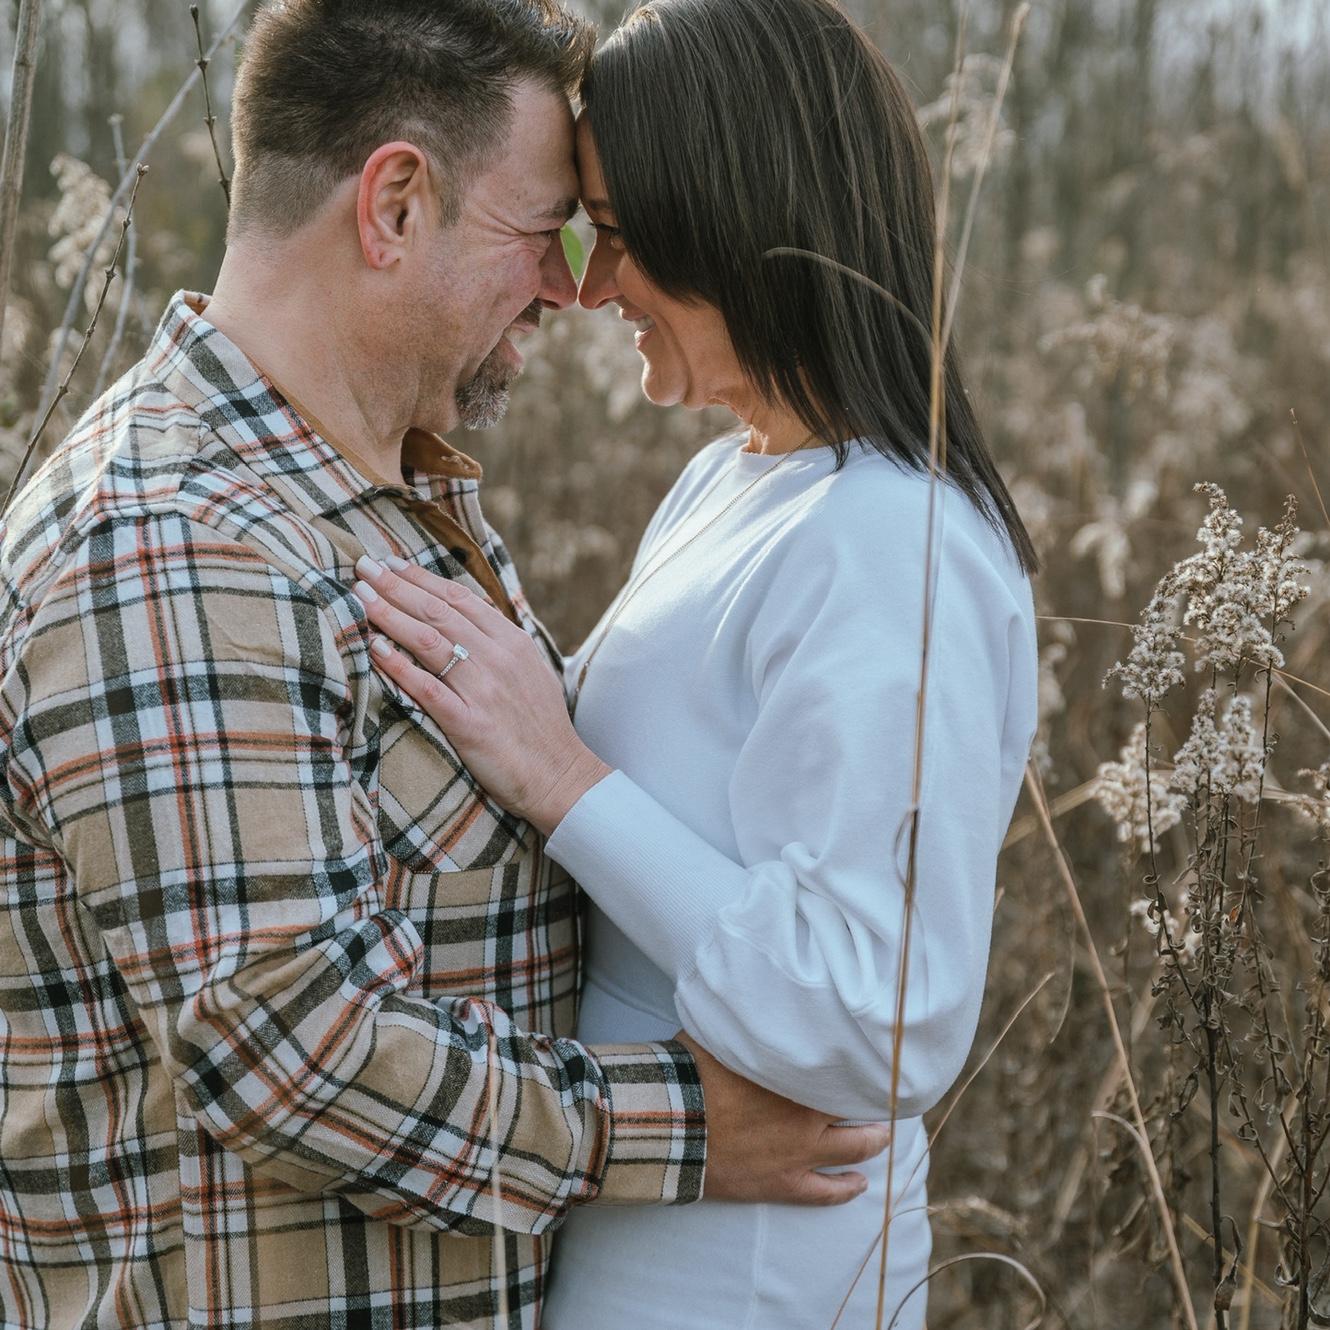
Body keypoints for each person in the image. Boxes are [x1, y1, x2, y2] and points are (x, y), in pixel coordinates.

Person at [0, 3, 891, 1328]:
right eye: (544, 234)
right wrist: (687, 1127)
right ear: (396, 206)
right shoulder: (177, 545)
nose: (571, 289)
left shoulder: (378, 494)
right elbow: (293, 1048)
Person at [353, 0, 1042, 1325]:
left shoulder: (892, 543)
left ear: (734, 216)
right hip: (633, 1231)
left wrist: (560, 771)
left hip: (743, 1278)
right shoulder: (738, 483)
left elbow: (870, 1014)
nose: (589, 286)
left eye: (615, 238)